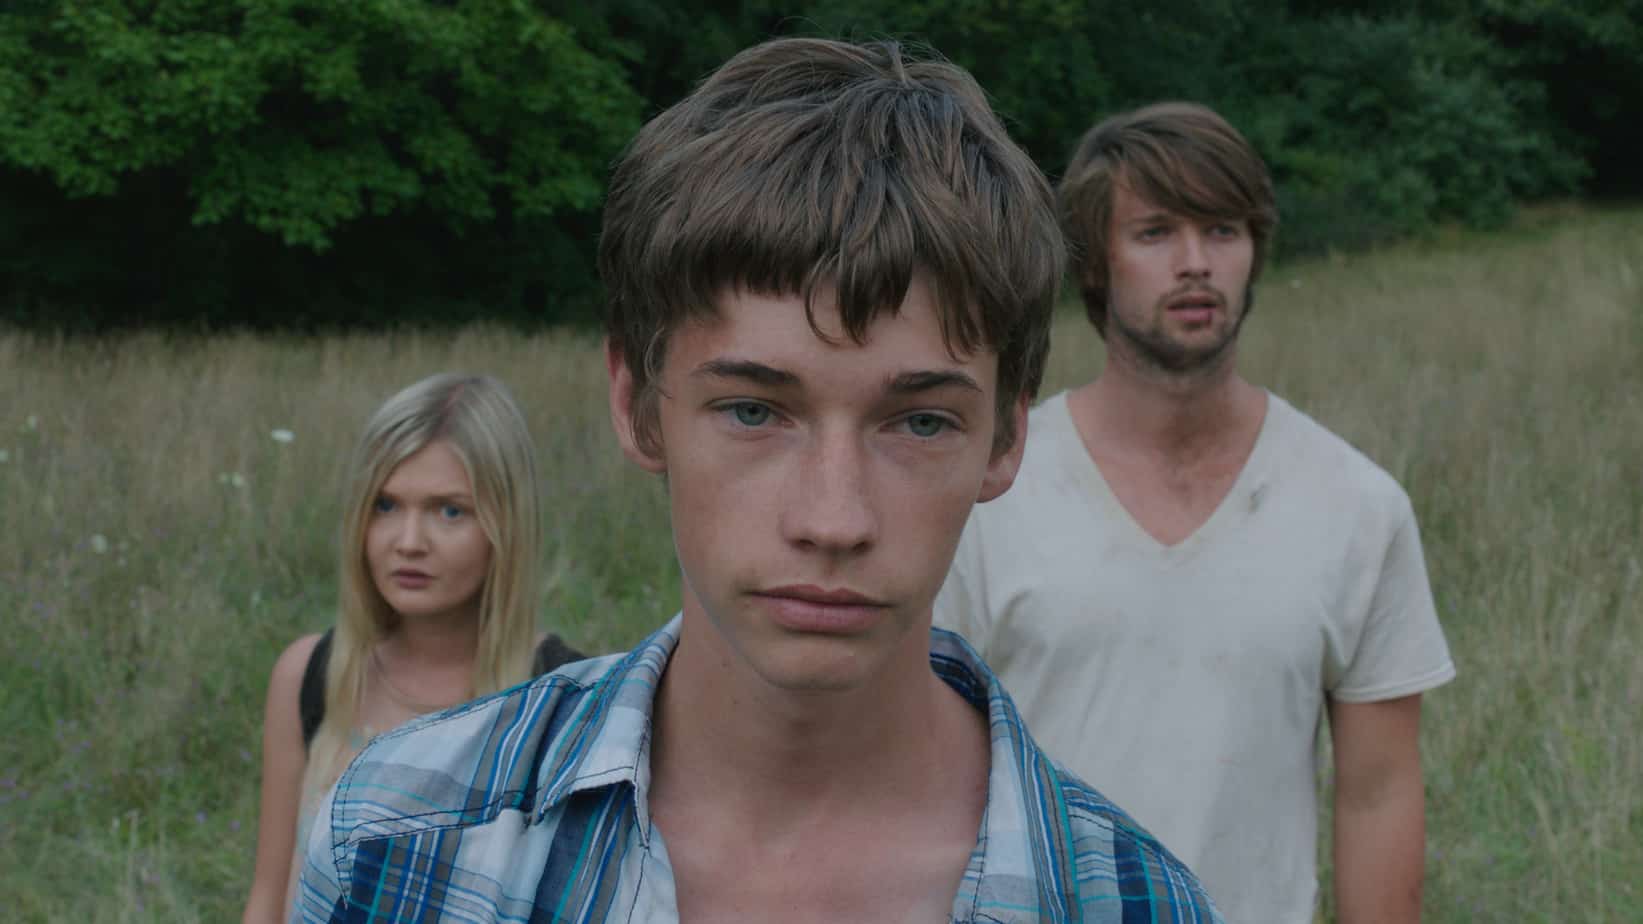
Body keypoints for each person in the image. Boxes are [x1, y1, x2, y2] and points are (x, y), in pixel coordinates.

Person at [291, 38, 1220, 923]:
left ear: (1007, 435)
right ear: (637, 403)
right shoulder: (398, 837)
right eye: (752, 411)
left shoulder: (1135, 906)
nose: (833, 517)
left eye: (920, 421)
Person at [935, 101, 1457, 922]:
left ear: (1254, 252)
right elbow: (914, 772)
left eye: (1222, 231)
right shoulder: (990, 492)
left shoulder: (1356, 505)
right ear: (1096, 263)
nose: (1194, 263)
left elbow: (1378, 794)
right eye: (1154, 233)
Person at [242, 373, 584, 924]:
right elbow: (268, 897)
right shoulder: (311, 675)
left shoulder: (564, 700)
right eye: (386, 506)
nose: (408, 542)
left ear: (506, 524)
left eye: (449, 511)